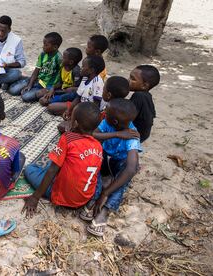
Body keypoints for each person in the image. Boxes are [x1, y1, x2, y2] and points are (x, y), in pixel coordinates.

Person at [22, 102, 103, 218]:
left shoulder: (68, 138)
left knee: (30, 169)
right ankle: (92, 199)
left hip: (62, 198)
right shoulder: (98, 146)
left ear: (75, 123)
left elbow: (52, 170)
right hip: (84, 199)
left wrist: (35, 197)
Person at [80, 99, 141, 237]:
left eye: (106, 113)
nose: (103, 113)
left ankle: (106, 209)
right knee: (94, 158)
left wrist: (105, 193)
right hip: (106, 160)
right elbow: (93, 134)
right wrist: (117, 134)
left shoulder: (132, 136)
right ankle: (95, 195)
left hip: (118, 165)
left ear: (114, 121)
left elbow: (131, 169)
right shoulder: (107, 123)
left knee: (128, 172)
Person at [8, 32, 63, 102]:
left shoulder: (59, 58)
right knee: (13, 91)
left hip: (48, 85)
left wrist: (53, 88)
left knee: (26, 97)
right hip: (37, 80)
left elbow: (61, 77)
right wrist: (30, 85)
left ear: (55, 47)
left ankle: (39, 91)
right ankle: (28, 84)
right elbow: (36, 70)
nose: (43, 47)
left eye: (46, 45)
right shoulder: (43, 54)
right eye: (43, 44)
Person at [129, 65, 160, 142]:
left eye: (133, 79)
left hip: (134, 135)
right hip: (143, 134)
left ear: (144, 86)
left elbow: (127, 116)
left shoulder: (138, 96)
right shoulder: (147, 96)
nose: (128, 80)